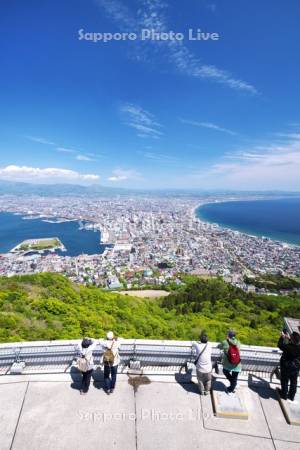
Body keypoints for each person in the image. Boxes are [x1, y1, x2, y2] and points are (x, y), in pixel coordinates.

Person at [278, 330, 300, 404]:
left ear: (292, 339)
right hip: (296, 367)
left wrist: (282, 337)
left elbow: (280, 345)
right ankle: (291, 396)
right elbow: (295, 343)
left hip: (286, 367)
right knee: (294, 382)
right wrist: (289, 338)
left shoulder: (288, 347)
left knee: (284, 380)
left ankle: (284, 395)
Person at [218, 330, 241, 394]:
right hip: (237, 363)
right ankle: (233, 383)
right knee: (235, 377)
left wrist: (224, 342)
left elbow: (219, 347)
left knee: (225, 371)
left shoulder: (225, 342)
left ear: (228, 335)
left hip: (228, 363)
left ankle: (232, 387)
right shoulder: (238, 342)